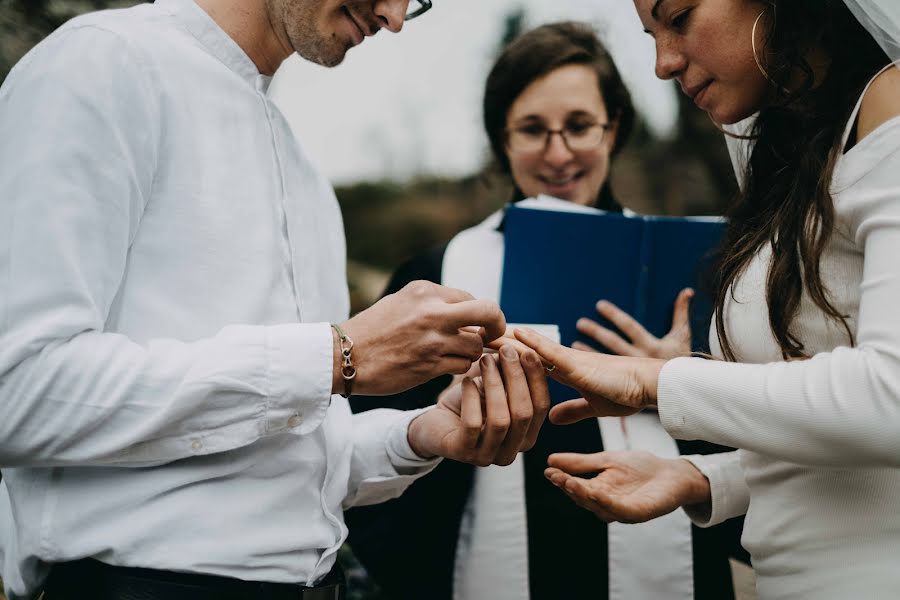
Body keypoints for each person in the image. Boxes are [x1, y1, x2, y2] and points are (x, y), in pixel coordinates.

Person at [0, 1, 553, 599]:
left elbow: (293, 466)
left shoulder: (306, 175)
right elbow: (19, 392)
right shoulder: (102, 65)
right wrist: (335, 356)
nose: (394, 18)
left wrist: (420, 435)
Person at [346, 22, 746, 600]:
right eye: (532, 129)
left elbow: (755, 456)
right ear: (502, 141)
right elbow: (384, 459)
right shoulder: (434, 278)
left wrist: (682, 381)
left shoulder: (696, 268)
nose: (558, 154)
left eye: (580, 126)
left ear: (613, 129)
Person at [513, 1, 900, 598]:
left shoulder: (891, 106)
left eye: (680, 17)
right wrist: (700, 477)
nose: (663, 64)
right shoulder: (793, 151)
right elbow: (844, 457)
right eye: (649, 34)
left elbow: (891, 399)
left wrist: (656, 381)